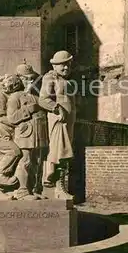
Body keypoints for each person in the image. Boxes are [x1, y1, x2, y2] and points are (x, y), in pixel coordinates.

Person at [7, 62, 48, 200]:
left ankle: (32, 189)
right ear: (19, 79)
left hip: (38, 134)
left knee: (36, 162)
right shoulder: (15, 97)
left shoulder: (36, 97)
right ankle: (22, 191)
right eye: (26, 78)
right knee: (25, 161)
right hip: (25, 134)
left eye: (32, 78)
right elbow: (12, 118)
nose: (30, 81)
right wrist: (29, 110)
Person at [39, 50, 76, 200]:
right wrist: (57, 107)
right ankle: (55, 186)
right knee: (59, 153)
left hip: (68, 122)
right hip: (58, 121)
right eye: (62, 65)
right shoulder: (50, 78)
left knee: (65, 153)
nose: (66, 67)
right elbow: (43, 99)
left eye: (68, 64)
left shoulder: (67, 80)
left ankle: (61, 187)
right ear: (55, 66)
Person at [0, 74, 22, 196]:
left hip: (8, 134)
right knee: (14, 151)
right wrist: (16, 123)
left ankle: (1, 191)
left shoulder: (12, 96)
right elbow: (0, 116)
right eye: (8, 83)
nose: (7, 85)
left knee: (0, 160)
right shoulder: (1, 96)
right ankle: (1, 176)